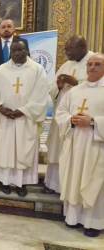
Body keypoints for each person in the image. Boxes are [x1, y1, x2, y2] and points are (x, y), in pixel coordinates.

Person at [0, 41, 49, 197]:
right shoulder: (0, 70)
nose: (17, 53)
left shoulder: (37, 70)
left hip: (25, 119)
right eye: (14, 50)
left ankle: (21, 184)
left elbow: (41, 96)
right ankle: (4, 182)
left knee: (22, 152)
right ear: (10, 52)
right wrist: (1, 108)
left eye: (21, 50)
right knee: (4, 151)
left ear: (27, 50)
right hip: (4, 119)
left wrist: (23, 111)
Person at [55, 54, 104, 237]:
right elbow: (61, 113)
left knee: (94, 181)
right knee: (74, 179)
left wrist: (93, 122)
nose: (92, 67)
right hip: (75, 144)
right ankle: (73, 218)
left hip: (96, 145)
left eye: (97, 64)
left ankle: (94, 222)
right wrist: (71, 120)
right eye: (90, 64)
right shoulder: (75, 91)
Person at [44, 36, 95, 193]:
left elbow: (97, 89)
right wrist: (59, 86)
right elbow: (52, 89)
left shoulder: (94, 62)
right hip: (63, 115)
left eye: (69, 49)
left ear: (82, 47)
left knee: (73, 153)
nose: (66, 53)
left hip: (81, 117)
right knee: (57, 148)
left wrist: (76, 83)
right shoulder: (66, 65)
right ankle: (53, 184)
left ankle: (71, 188)